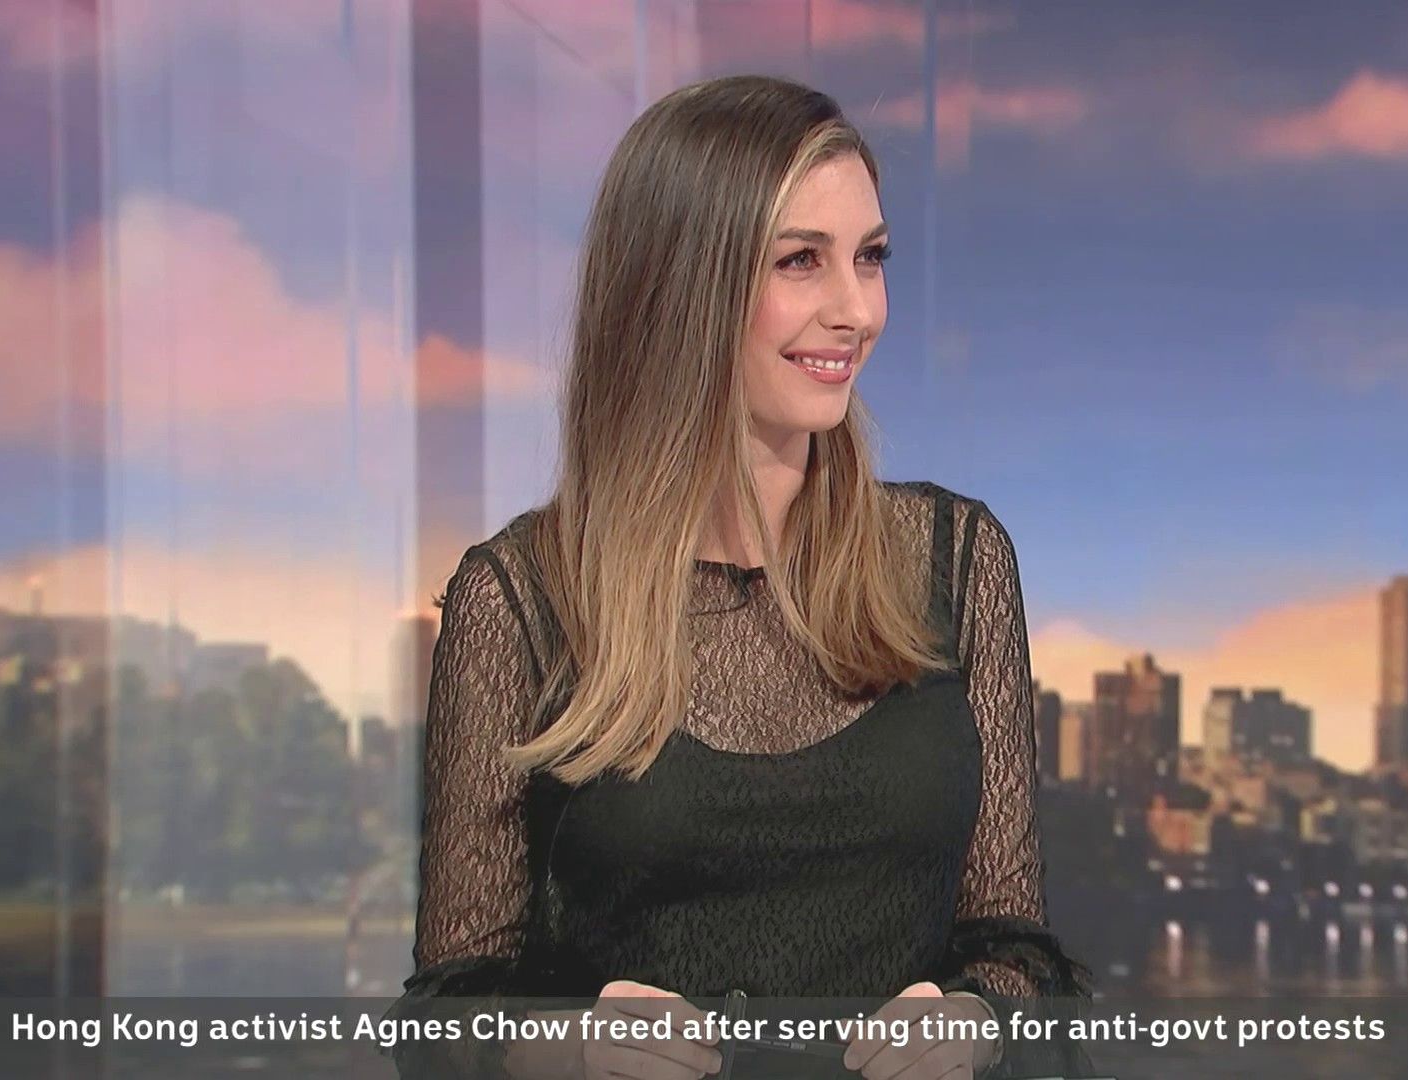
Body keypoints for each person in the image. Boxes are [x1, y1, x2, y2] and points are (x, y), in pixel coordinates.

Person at [383, 73, 1092, 1080]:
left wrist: (977, 1020)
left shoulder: (957, 557)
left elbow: (1018, 949)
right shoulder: (520, 599)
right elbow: (443, 1016)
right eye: (801, 261)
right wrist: (563, 1047)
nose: (857, 310)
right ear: (682, 287)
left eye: (871, 257)